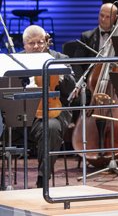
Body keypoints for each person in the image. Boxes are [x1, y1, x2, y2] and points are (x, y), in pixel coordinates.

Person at [23, 25, 75, 188]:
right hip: (23, 113)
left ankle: (43, 178)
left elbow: (72, 91)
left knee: (51, 127)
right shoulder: (16, 59)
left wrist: (61, 75)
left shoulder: (59, 58)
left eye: (40, 42)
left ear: (46, 42)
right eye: (32, 43)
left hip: (54, 112)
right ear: (24, 45)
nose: (37, 47)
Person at [73, 3, 118, 80]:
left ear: (115, 18)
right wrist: (82, 83)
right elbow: (77, 63)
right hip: (93, 80)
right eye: (101, 15)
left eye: (107, 17)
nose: (103, 19)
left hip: (117, 79)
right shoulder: (87, 37)